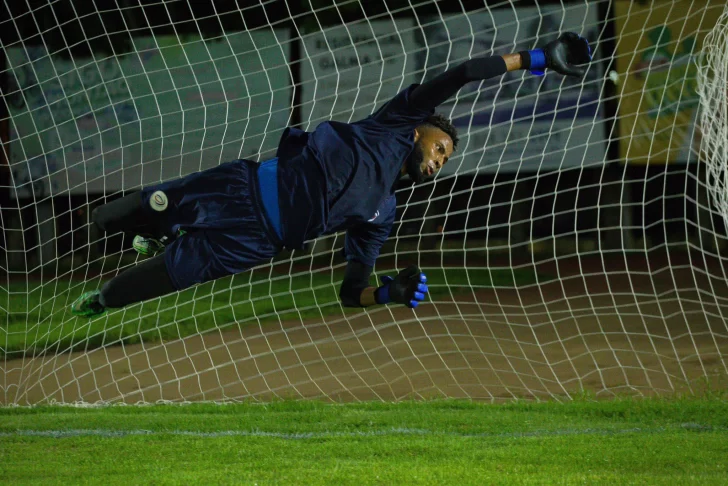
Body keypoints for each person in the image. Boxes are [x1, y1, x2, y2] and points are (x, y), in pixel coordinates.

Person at [71, 32, 592, 317]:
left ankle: (101, 298)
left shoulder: (381, 213)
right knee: (122, 213)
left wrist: (385, 295)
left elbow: (351, 290)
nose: (438, 161)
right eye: (439, 148)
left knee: (143, 288)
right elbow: (460, 74)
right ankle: (154, 229)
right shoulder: (395, 122)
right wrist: (533, 59)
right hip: (239, 187)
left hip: (255, 243)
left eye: (445, 162)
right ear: (419, 133)